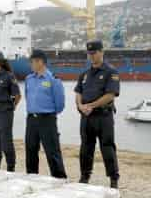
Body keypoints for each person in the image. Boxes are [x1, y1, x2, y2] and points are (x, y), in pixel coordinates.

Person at [74, 40, 120, 189]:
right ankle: (84, 176)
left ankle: (113, 179)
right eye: (89, 54)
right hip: (86, 117)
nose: (92, 56)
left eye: (94, 53)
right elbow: (78, 92)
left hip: (103, 116)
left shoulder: (111, 72)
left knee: (107, 147)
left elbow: (110, 95)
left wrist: (92, 105)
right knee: (86, 148)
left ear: (102, 52)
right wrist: (81, 106)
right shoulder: (84, 74)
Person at [25, 49, 67, 179]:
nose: (31, 64)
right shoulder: (29, 79)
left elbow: (60, 103)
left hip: (47, 119)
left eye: (33, 61)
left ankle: (59, 179)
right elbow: (28, 97)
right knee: (31, 150)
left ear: (41, 62)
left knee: (52, 151)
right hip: (32, 119)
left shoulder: (53, 79)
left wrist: (48, 113)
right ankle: (32, 178)